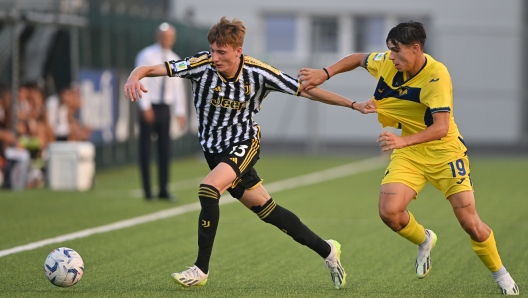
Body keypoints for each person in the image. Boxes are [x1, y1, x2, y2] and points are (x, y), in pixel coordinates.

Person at [124, 16, 369, 289]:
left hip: (244, 143)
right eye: (213, 50)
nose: (214, 57)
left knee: (208, 188)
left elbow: (307, 91)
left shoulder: (259, 73)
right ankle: (328, 251)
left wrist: (353, 104)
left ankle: (200, 269)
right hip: (213, 151)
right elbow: (148, 68)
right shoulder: (200, 65)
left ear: (238, 50)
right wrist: (134, 76)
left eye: (221, 52)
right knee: (269, 212)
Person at [298, 21, 519, 295]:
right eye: (389, 50)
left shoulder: (437, 76)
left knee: (470, 223)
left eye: (396, 51)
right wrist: (325, 72)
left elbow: (441, 128)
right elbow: (357, 58)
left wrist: (401, 140)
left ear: (416, 49)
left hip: (444, 152)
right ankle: (424, 239)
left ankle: (503, 277)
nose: (391, 56)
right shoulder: (389, 62)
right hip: (410, 152)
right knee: (389, 212)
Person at [135, 22, 187, 201]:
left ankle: (163, 189)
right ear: (158, 37)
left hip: (165, 108)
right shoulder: (146, 55)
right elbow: (142, 81)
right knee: (146, 149)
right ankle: (147, 190)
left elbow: (178, 88)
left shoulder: (175, 58)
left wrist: (180, 112)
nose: (167, 40)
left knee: (165, 149)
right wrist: (145, 106)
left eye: (170, 37)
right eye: (164, 36)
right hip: (150, 105)